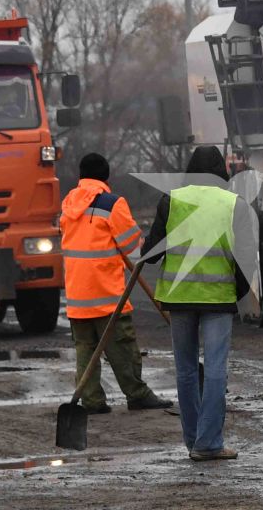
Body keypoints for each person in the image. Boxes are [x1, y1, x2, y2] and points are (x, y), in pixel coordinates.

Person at [144, 145, 251, 462]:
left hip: (179, 298)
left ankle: (193, 441)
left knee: (186, 371)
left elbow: (151, 254)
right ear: (222, 171)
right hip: (218, 298)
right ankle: (209, 443)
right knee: (216, 370)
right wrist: (238, 294)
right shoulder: (234, 204)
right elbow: (245, 260)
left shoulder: (171, 200)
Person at [59, 153, 172, 415]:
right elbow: (132, 245)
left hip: (77, 294)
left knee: (85, 349)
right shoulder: (112, 203)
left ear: (81, 176)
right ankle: (137, 394)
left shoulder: (68, 203)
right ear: (106, 176)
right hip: (107, 293)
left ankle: (92, 401)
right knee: (121, 346)